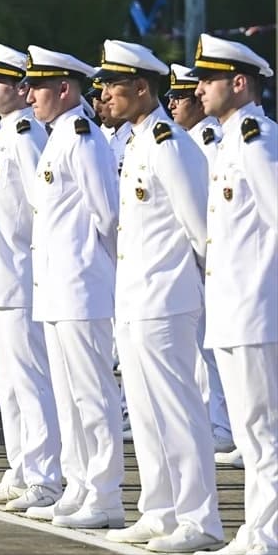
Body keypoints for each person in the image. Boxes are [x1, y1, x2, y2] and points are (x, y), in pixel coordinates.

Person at [93, 40, 224, 553]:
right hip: (136, 296)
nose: (104, 93)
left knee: (179, 409)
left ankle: (200, 518)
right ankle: (160, 508)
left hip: (167, 296)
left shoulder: (171, 142)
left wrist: (195, 287)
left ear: (141, 88)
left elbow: (200, 227)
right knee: (145, 410)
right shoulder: (139, 142)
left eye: (113, 85)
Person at [23, 46, 124, 529]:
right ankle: (79, 484)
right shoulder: (58, 136)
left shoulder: (83, 138)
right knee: (66, 396)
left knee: (93, 396)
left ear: (65, 88)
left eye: (38, 85)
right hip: (58, 286)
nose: (29, 94)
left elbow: (108, 216)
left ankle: (105, 495)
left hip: (83, 284)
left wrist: (94, 270)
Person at [192, 33, 277, 555]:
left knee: (263, 431)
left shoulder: (257, 141)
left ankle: (266, 534)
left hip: (256, 309)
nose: (199, 89)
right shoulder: (229, 141)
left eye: (209, 79)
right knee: (250, 432)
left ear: (239, 83)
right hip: (230, 309)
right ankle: (256, 528)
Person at [0, 44, 63, 513]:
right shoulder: (4, 136)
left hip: (21, 277)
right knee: (8, 383)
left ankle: (45, 478)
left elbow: (43, 209)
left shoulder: (27, 137)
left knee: (31, 382)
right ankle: (21, 469)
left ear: (21, 89)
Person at [166, 62, 236, 464]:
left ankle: (224, 425)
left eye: (181, 96)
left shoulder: (206, 138)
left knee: (212, 348)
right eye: (172, 96)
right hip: (194, 259)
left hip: (207, 258)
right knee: (199, 350)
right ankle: (217, 422)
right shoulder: (187, 138)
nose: (174, 103)